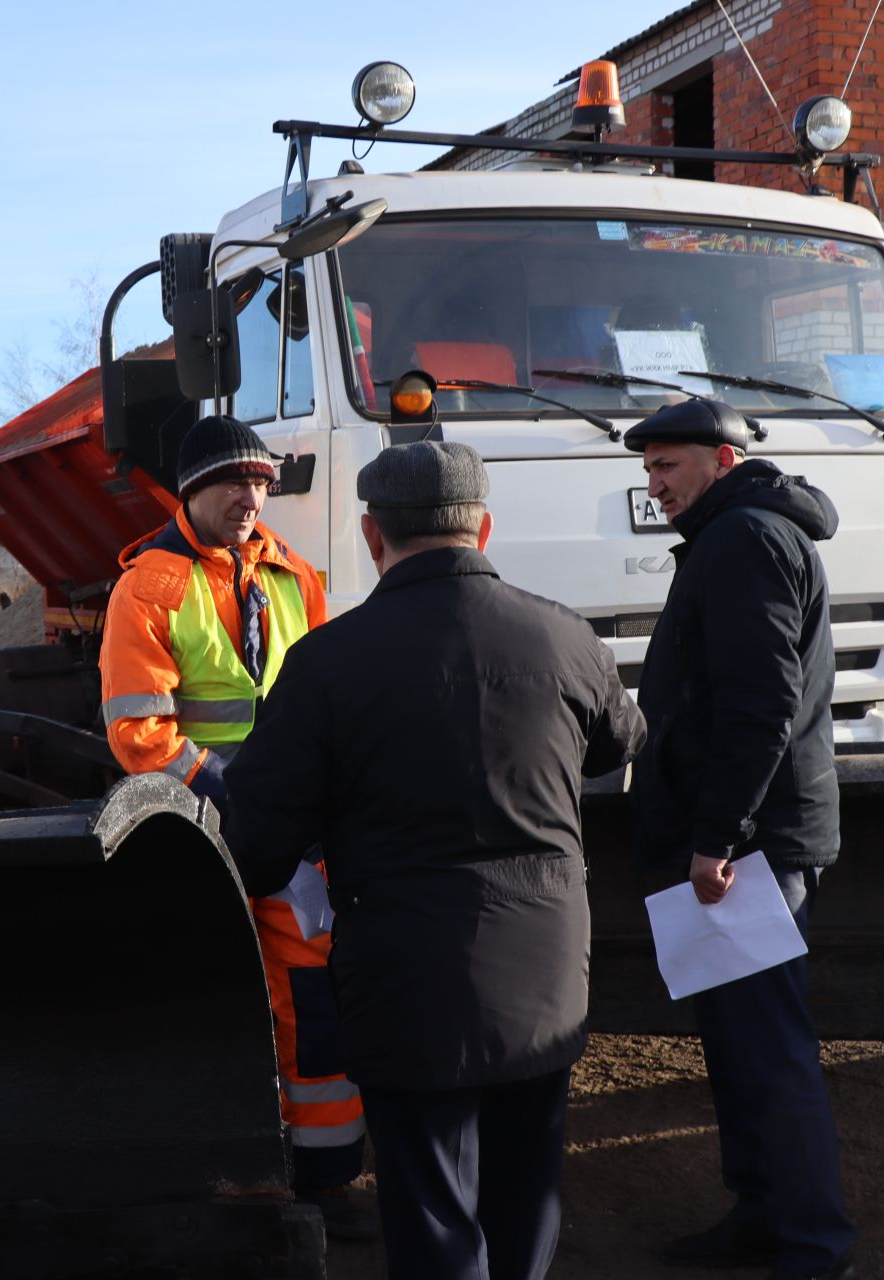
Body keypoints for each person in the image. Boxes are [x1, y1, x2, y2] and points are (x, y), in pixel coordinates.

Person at [222, 441, 647, 1280]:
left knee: (431, 1209)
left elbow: (259, 842)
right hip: (544, 973)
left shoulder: (324, 665)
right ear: (483, 528)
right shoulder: (565, 636)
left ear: (373, 537)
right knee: (528, 1194)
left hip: (403, 979)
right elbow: (620, 746)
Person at [98, 413, 369, 1235]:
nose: (251, 496)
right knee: (210, 996)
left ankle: (325, 1180)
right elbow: (138, 730)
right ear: (191, 491)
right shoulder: (147, 585)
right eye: (232, 482)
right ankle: (214, 1173)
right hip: (197, 828)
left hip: (289, 828)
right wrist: (231, 788)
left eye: (260, 481)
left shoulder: (298, 577)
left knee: (311, 992)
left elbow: (327, 697)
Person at [622, 397, 856, 1280]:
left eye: (668, 466)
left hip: (750, 845)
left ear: (721, 460)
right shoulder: (737, 534)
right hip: (748, 835)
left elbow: (761, 705)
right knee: (737, 1044)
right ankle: (761, 1214)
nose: (656, 484)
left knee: (768, 1047)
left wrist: (717, 836)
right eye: (647, 471)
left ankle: (812, 1244)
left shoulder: (745, 540)